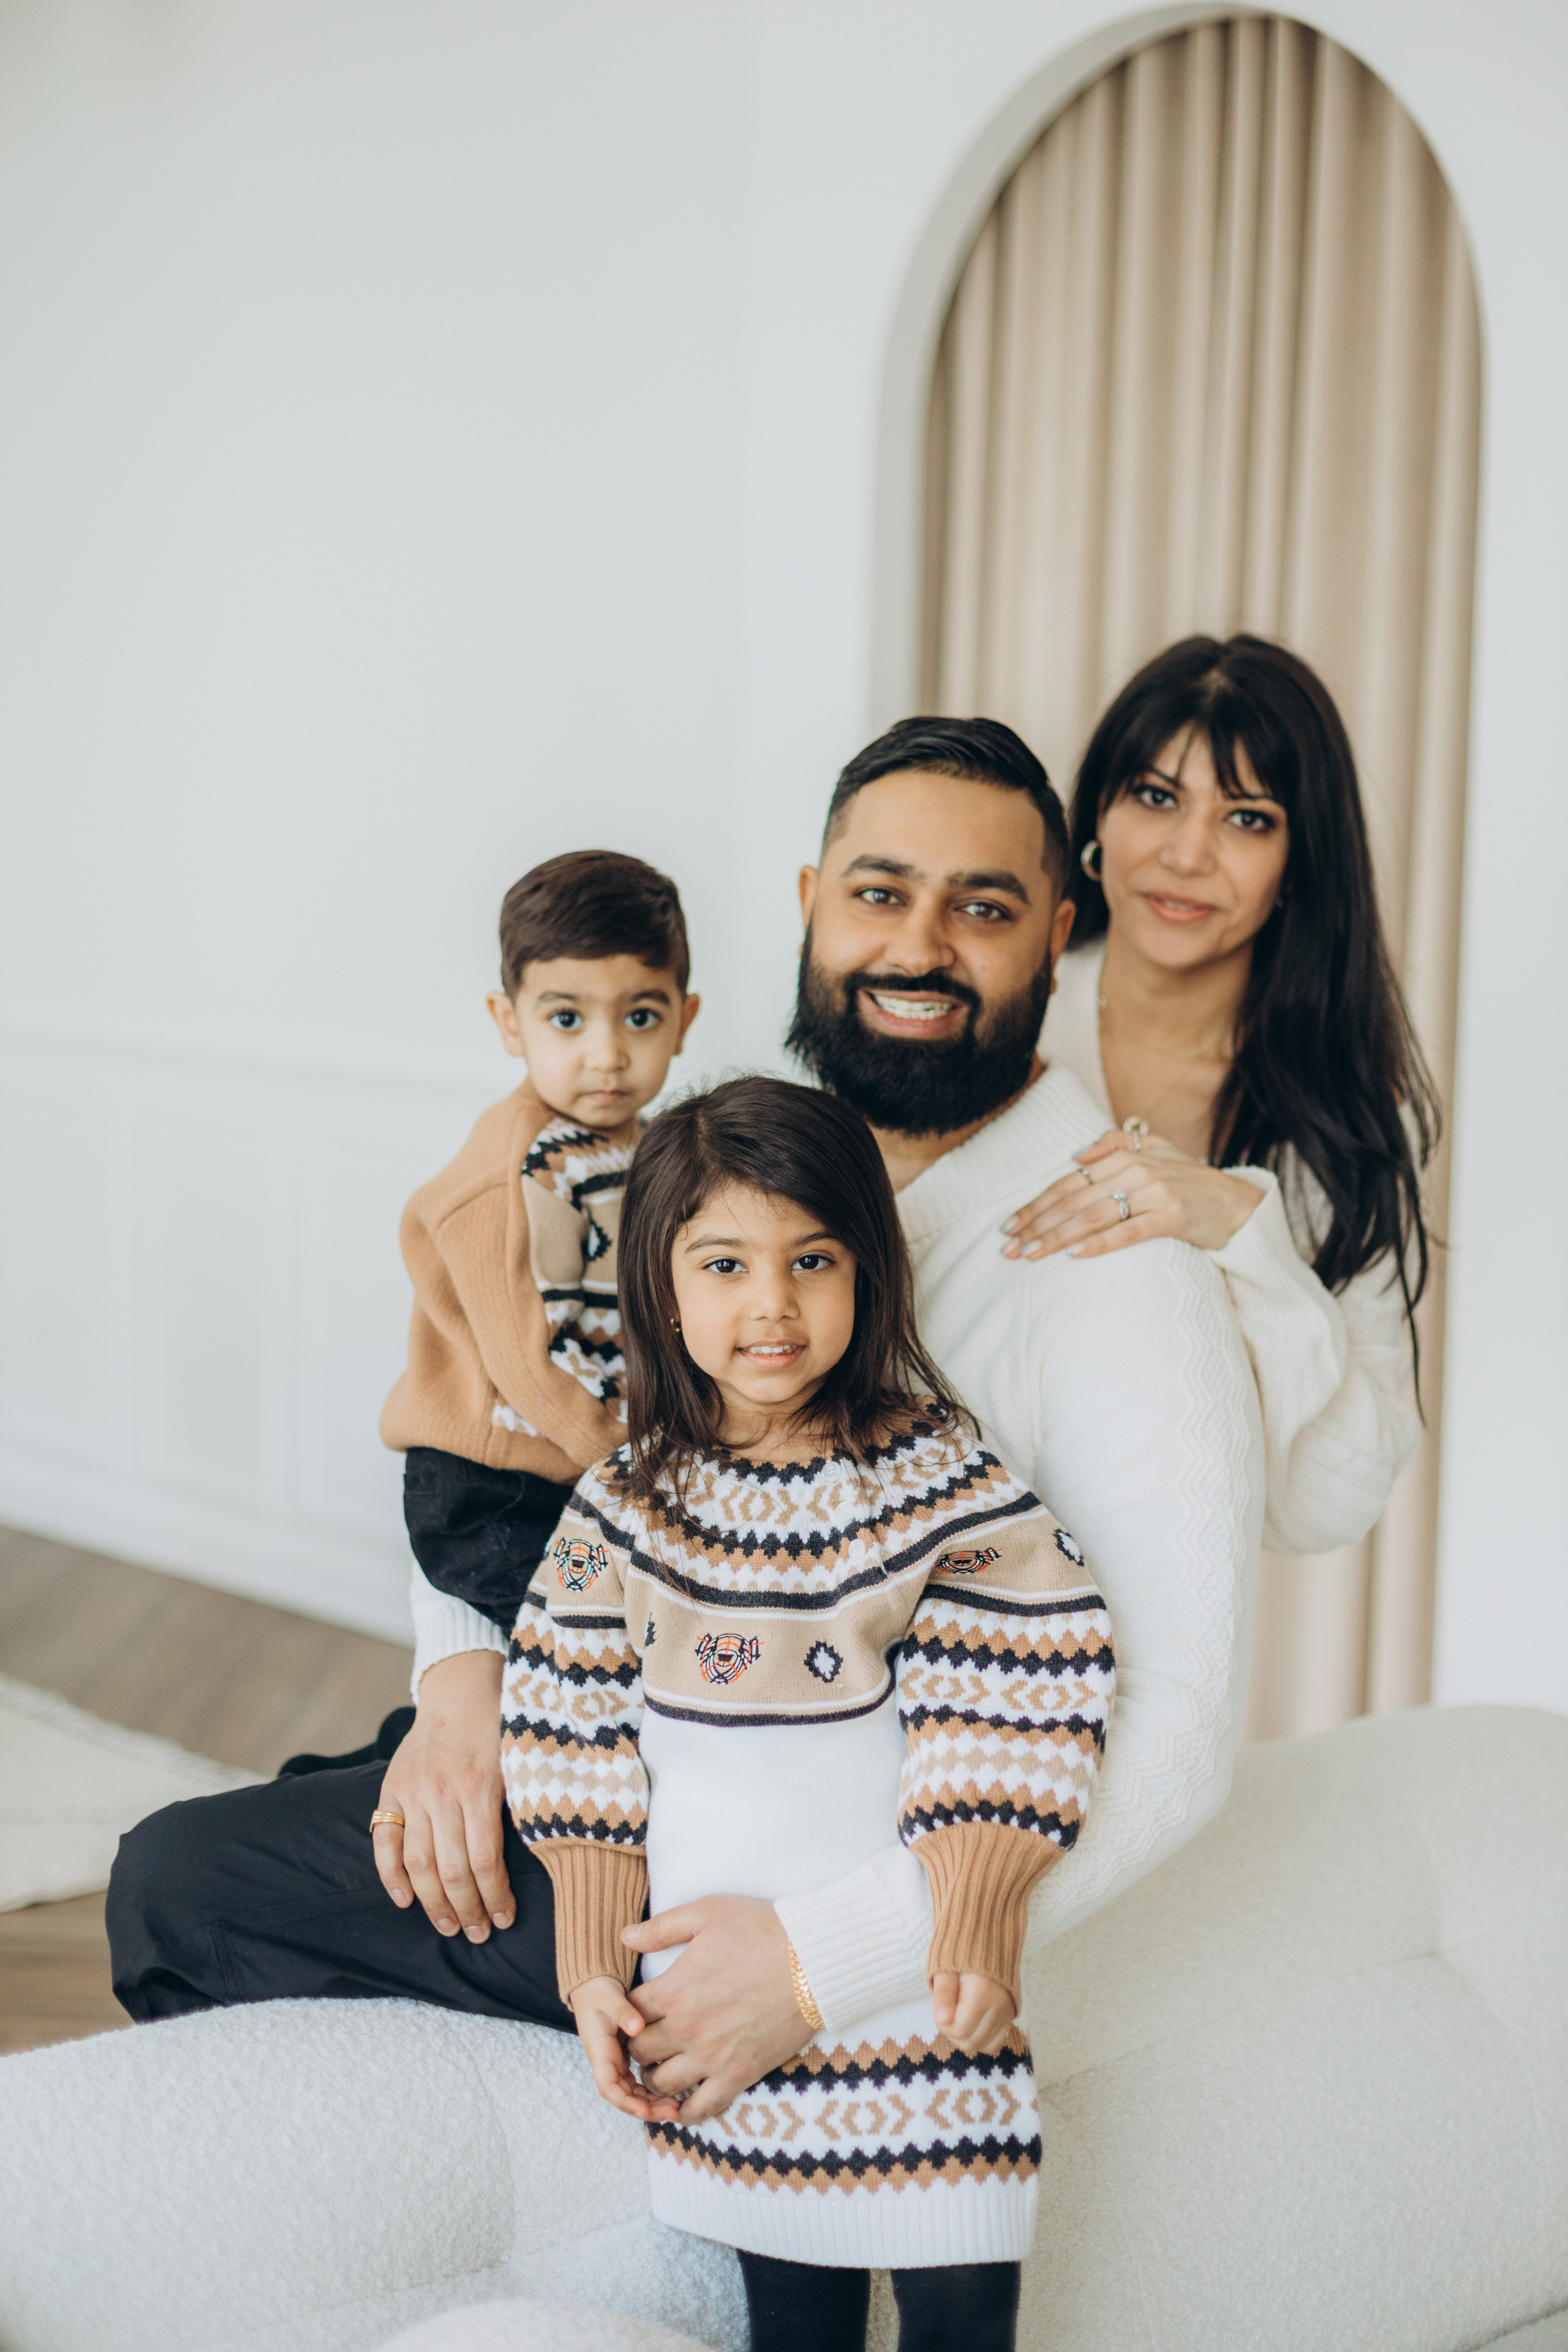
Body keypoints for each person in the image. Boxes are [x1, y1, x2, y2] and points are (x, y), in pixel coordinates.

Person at [108, 722, 1257, 2125]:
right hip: (630, 1726)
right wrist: (466, 1678)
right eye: (877, 893)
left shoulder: (1121, 1272)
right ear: (808, 905)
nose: (917, 946)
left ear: (1057, 935)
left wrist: (813, 1964)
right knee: (344, 1788)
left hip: (785, 1857)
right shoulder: (745, 1157)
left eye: (984, 907)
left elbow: (1176, 1730)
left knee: (181, 1884)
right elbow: (514, 1430)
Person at [511, 1075, 1114, 2352]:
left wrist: (974, 1901)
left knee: (962, 2301)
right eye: (723, 1264)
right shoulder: (626, 1504)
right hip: (722, 2021)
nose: (771, 1305)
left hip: (914, 1998)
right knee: (794, 2320)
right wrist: (591, 1965)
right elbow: (565, 1725)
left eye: (812, 1259)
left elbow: (1024, 1676)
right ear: (662, 1291)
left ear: (868, 1269)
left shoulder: (930, 1472)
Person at [108, 848, 698, 2021]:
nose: (604, 1052)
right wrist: (624, 1464)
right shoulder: (505, 1180)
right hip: (491, 1475)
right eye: (566, 1018)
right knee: (553, 1663)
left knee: (484, 1721)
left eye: (639, 1016)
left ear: (685, 1017)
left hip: (580, 1471)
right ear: (507, 1019)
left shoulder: (661, 1152)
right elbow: (529, 1364)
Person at [998, 636, 1436, 1556]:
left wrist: (1248, 1233)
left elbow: (1331, 1504)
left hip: (1178, 1617)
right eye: (1156, 798)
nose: (1186, 854)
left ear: (1298, 862)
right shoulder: (997, 1029)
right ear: (1098, 821)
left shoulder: (1338, 1120)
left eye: (1248, 819)